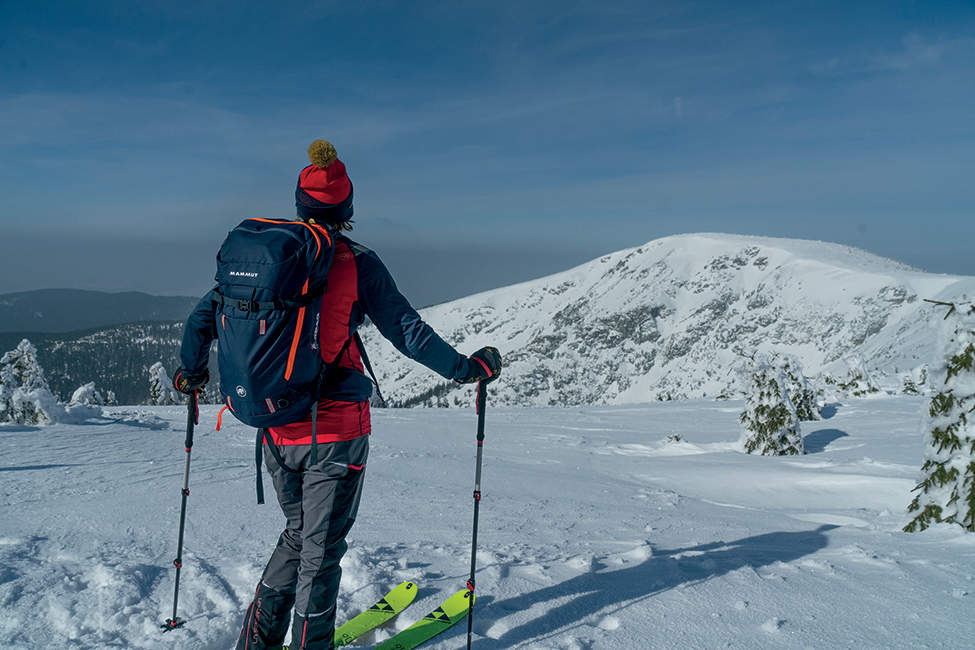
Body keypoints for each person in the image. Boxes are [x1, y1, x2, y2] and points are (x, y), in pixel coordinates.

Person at [173, 139, 502, 650]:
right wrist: (466, 369)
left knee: (299, 534)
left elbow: (202, 318)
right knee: (321, 552)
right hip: (336, 432)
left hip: (277, 425)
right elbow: (406, 330)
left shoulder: (267, 261)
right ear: (347, 209)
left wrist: (190, 373)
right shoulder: (357, 261)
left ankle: (256, 643)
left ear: (300, 205)